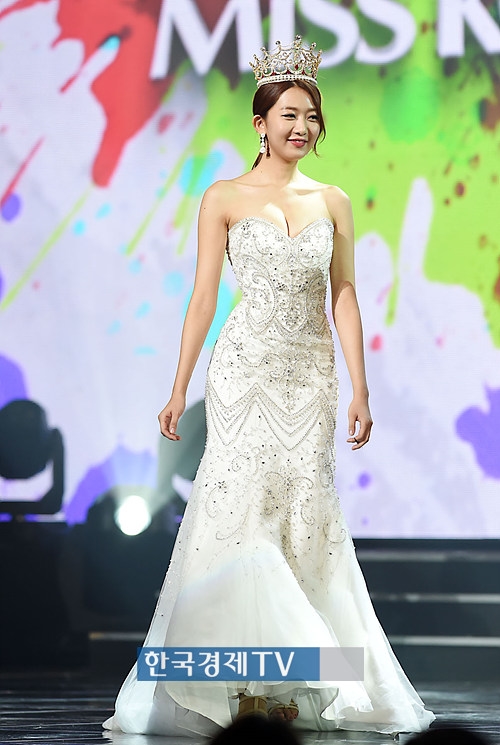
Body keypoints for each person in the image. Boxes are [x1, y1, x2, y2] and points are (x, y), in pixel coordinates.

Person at [103, 37, 435, 737]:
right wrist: (178, 387)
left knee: (304, 522)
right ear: (260, 123)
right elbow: (202, 299)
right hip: (243, 373)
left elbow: (344, 294)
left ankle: (298, 687)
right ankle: (240, 688)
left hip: (311, 378)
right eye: (290, 114)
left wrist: (361, 388)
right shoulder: (223, 197)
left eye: (312, 117)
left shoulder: (333, 200)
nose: (302, 127)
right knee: (241, 521)